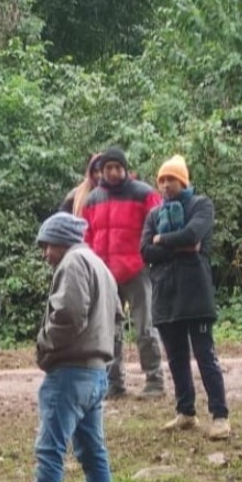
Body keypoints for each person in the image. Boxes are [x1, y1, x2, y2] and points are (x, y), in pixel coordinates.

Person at [20, 213, 121, 482]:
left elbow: (68, 314)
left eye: (47, 245)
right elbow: (117, 317)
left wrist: (44, 343)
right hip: (96, 371)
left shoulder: (74, 263)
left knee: (50, 449)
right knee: (93, 451)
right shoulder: (99, 265)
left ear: (61, 240)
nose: (45, 253)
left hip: (69, 372)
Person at [141, 156, 231, 439]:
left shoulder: (200, 205)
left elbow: (194, 234)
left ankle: (220, 415)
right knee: (176, 357)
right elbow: (145, 251)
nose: (166, 185)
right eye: (162, 180)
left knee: (205, 355)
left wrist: (162, 241)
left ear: (183, 180)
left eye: (171, 179)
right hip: (165, 295)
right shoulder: (154, 215)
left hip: (195, 293)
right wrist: (179, 245)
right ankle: (185, 412)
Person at [80, 146, 166, 399]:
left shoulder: (144, 194)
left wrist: (148, 256)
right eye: (108, 168)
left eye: (118, 167)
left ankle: (154, 380)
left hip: (136, 270)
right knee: (109, 331)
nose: (114, 172)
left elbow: (157, 226)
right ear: (101, 171)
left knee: (144, 328)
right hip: (105, 275)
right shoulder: (93, 199)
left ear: (125, 169)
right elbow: (86, 235)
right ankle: (114, 383)